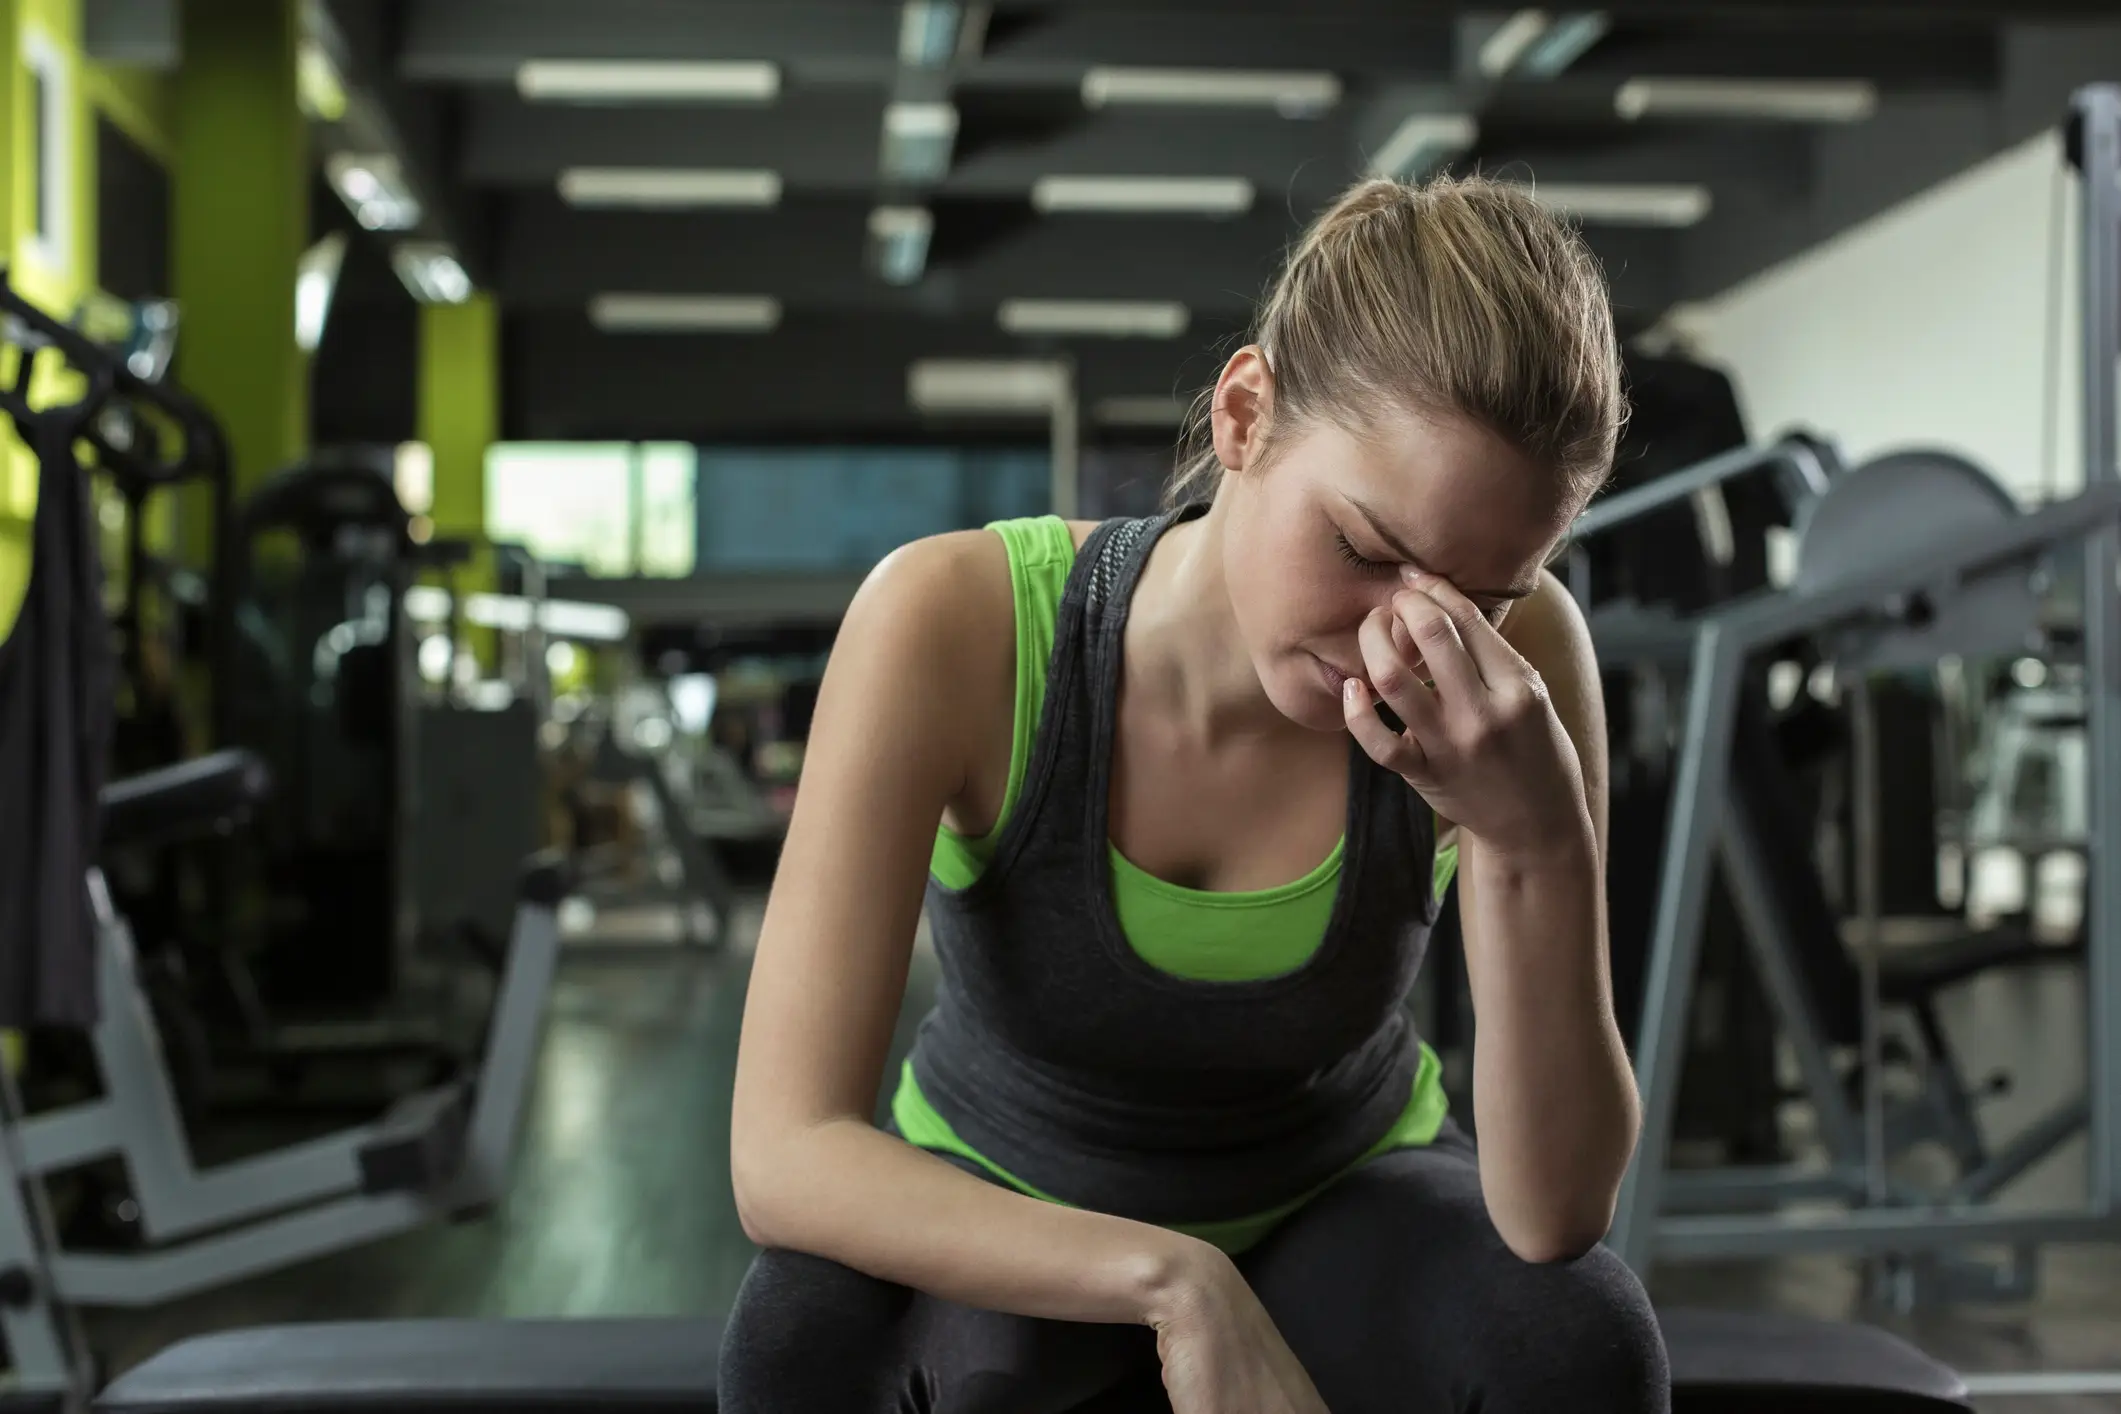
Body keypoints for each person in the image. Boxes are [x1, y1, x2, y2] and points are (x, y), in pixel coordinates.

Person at [722, 174, 1668, 1413]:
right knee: (803, 1342)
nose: (1400, 643)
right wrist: (1176, 1281)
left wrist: (1536, 838)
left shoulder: (1518, 669)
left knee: (1576, 1338)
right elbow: (785, 1152)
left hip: (1345, 1195)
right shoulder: (952, 621)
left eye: (1478, 599)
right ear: (1243, 414)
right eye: (1364, 549)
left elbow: (1554, 1214)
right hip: (1007, 1187)